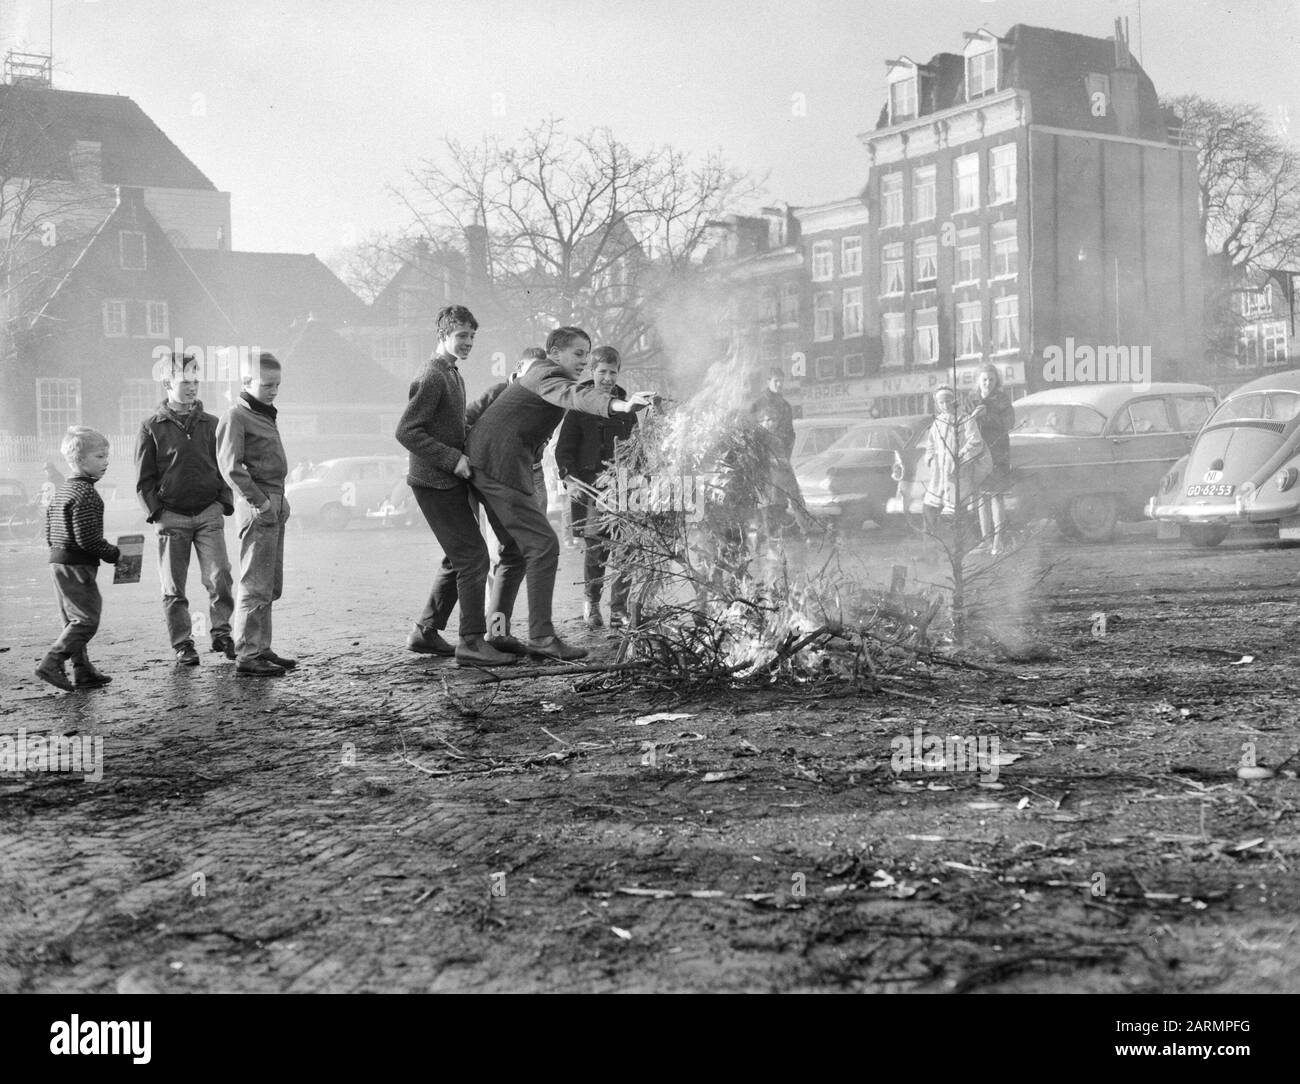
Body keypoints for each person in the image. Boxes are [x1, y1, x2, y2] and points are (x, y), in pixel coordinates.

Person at [467, 326, 654, 660]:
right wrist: (622, 406)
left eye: (587, 353)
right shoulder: (546, 373)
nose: (584, 361)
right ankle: (541, 636)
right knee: (543, 545)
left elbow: (576, 394)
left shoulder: (547, 376)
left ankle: (496, 633)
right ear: (554, 353)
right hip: (499, 466)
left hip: (492, 465)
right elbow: (578, 397)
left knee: (513, 550)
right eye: (579, 353)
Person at [396, 306, 515, 668]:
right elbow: (407, 431)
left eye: (472, 337)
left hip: (448, 480)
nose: (467, 343)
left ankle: (426, 632)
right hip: (432, 482)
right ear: (443, 335)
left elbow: (453, 427)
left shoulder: (453, 374)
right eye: (461, 336)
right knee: (474, 557)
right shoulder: (432, 375)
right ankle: (472, 641)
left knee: (457, 556)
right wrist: (452, 459)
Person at [415, 345, 549, 648]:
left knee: (489, 555)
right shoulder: (501, 391)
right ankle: (484, 634)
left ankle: (436, 629)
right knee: (486, 555)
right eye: (531, 374)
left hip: (525, 476)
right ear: (517, 371)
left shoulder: (543, 400)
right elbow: (463, 424)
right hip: (485, 478)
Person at [135, 350, 236, 666]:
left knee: (220, 576)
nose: (192, 387)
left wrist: (223, 504)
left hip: (208, 513)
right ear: (167, 382)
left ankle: (221, 633)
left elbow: (225, 466)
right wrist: (157, 513)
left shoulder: (212, 424)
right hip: (171, 517)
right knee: (173, 587)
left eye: (196, 380)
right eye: (185, 381)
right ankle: (183, 645)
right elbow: (143, 478)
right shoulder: (151, 427)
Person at [216, 352, 297, 676]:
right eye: (267, 385)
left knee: (270, 583)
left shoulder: (264, 414)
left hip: (274, 500)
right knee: (254, 583)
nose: (274, 390)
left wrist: (280, 500)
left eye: (277, 384)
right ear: (246, 382)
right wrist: (261, 502)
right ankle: (248, 655)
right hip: (257, 507)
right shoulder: (236, 415)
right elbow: (230, 467)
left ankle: (261, 647)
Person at [555, 345, 637, 629]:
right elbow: (563, 449)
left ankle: (619, 609)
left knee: (627, 549)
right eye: (602, 372)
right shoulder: (579, 407)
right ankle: (591, 603)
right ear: (592, 372)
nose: (607, 378)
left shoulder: (628, 410)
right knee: (597, 549)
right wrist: (570, 478)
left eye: (612, 372)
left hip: (624, 489)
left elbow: (636, 451)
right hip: (593, 489)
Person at [35, 427, 121, 692]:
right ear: (81, 461)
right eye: (100, 456)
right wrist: (114, 554)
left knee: (71, 620)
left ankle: (82, 670)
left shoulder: (62, 491)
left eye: (106, 456)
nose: (106, 461)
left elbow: (49, 530)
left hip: (57, 561)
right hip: (77, 564)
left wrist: (58, 554)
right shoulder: (87, 494)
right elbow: (88, 540)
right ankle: (52, 661)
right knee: (86, 620)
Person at [921, 385, 987, 536]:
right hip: (939, 474)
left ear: (954, 401)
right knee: (930, 507)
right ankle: (932, 543)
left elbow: (976, 442)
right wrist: (930, 459)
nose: (945, 405)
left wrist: (960, 458)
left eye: (948, 401)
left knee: (954, 509)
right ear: (937, 404)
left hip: (955, 474)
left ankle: (957, 543)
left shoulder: (965, 420)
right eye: (941, 402)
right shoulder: (938, 422)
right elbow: (930, 444)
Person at [968, 364, 1015, 556]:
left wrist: (987, 416)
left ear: (997, 381)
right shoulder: (971, 400)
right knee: (981, 497)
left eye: (991, 380)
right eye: (984, 379)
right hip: (977, 452)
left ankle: (998, 540)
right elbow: (964, 422)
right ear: (978, 381)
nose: (988, 383)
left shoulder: (1002, 400)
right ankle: (985, 540)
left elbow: (1008, 424)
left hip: (997, 452)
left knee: (996, 495)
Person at [750, 367, 796, 460]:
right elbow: (751, 433)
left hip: (781, 457)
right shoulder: (758, 405)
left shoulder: (786, 406)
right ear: (768, 382)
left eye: (781, 381)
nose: (779, 384)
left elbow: (790, 434)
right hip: (763, 458)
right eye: (776, 381)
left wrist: (785, 456)